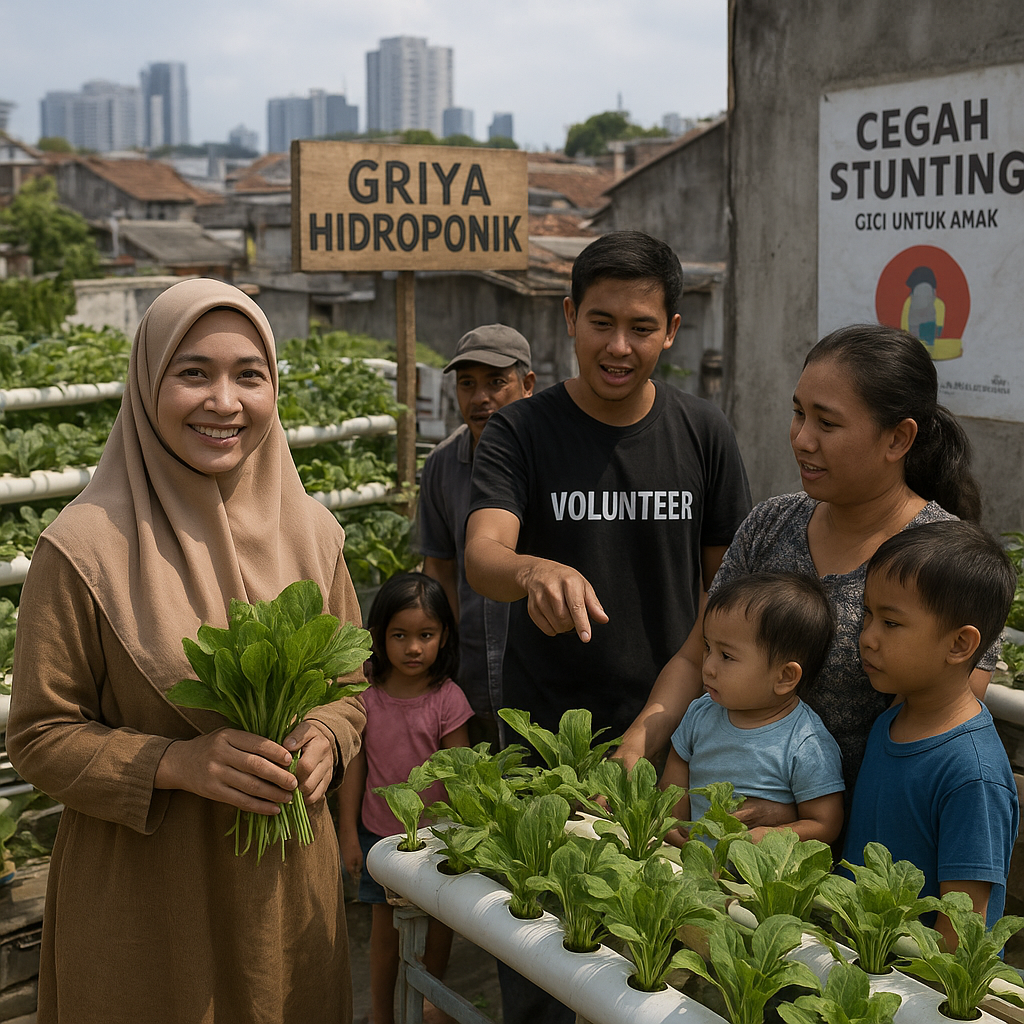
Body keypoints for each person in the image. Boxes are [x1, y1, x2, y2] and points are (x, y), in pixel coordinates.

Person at [5, 279, 366, 1024]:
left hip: (284, 903)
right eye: (193, 372)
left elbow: (351, 687)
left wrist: (329, 735)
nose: (224, 402)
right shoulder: (81, 548)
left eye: (249, 376)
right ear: (148, 383)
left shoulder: (315, 534)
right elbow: (39, 736)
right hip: (146, 908)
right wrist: (176, 764)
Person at [618, 322, 994, 803]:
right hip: (723, 838)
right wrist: (639, 739)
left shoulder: (946, 561)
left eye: (827, 423)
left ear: (898, 439)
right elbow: (696, 656)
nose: (802, 438)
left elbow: (937, 730)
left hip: (860, 849)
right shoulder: (769, 524)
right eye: (798, 413)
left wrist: (808, 822)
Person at [464, 230, 752, 743]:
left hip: (681, 729)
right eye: (601, 323)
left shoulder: (705, 432)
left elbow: (727, 589)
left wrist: (658, 723)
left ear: (671, 331)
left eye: (642, 328)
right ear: (571, 316)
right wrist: (531, 570)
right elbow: (483, 555)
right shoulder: (519, 430)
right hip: (546, 737)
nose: (618, 347)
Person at [845, 520, 1018, 947]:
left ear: (959, 644)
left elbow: (960, 929)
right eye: (867, 614)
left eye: (891, 623)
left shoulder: (972, 773)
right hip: (858, 963)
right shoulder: (891, 720)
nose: (867, 637)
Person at [338, 571, 472, 1024]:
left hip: (437, 845)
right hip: (380, 839)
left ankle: (428, 1010)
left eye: (425, 635)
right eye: (400, 635)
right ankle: (381, 1016)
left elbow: (463, 775)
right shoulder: (366, 696)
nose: (413, 647)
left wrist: (469, 837)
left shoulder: (447, 700)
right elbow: (354, 765)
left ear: (444, 636)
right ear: (378, 637)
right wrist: (347, 834)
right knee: (383, 935)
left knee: (438, 931)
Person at [662, 572, 845, 846]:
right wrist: (673, 818)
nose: (709, 667)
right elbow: (678, 764)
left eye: (726, 656)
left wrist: (773, 835)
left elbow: (825, 823)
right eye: (708, 648)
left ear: (784, 677)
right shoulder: (702, 712)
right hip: (690, 862)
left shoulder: (806, 743)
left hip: (758, 883)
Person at [418, 324, 535, 746]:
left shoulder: (552, 458)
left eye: (496, 382)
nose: (480, 397)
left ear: (527, 385)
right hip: (469, 676)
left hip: (542, 679)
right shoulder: (442, 465)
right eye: (467, 384)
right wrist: (444, 659)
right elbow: (439, 569)